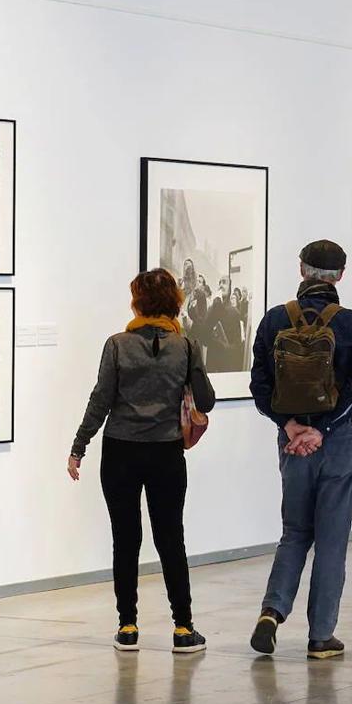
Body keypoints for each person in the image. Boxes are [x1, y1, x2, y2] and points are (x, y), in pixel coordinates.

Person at [68, 268, 215, 654]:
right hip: (166, 453)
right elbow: (208, 400)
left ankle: (128, 626)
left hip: (120, 451)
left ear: (137, 302)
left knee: (125, 539)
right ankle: (183, 628)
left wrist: (78, 446)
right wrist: (191, 363)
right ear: (175, 303)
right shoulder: (186, 347)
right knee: (171, 539)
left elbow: (100, 400)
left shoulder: (117, 345)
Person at [248, 240, 352, 659]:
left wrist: (291, 427)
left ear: (301, 270)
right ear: (341, 274)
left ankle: (272, 611)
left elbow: (259, 386)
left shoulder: (274, 319)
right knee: (331, 540)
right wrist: (324, 429)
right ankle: (321, 637)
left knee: (295, 532)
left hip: (291, 443)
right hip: (337, 443)